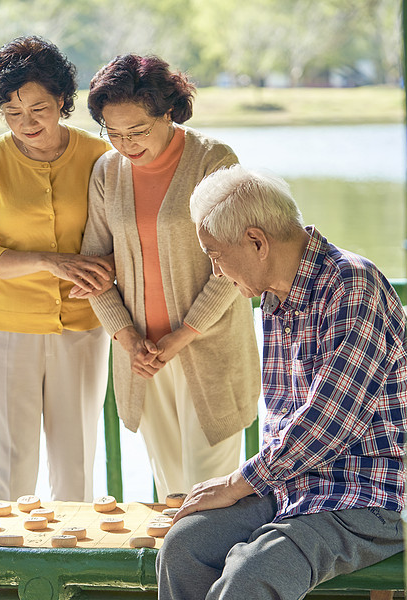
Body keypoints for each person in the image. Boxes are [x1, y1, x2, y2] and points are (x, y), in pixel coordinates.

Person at [157, 165, 407, 599]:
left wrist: (238, 483)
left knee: (253, 571)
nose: (216, 271)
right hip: (295, 486)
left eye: (215, 254)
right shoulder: (275, 293)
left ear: (257, 241)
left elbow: (329, 423)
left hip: (367, 497)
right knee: (185, 546)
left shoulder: (353, 284)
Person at [79, 54, 260, 501]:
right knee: (172, 497)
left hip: (208, 348)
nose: (125, 144)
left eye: (137, 130)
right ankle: (181, 572)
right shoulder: (107, 171)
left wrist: (183, 335)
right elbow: (93, 265)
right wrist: (127, 338)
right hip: (142, 356)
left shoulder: (212, 159)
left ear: (168, 112)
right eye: (113, 132)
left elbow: (235, 264)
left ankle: (219, 573)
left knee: (210, 495)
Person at [0, 36, 114, 503]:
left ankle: (73, 565)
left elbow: (124, 237)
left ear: (63, 101)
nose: (25, 123)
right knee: (9, 460)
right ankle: (4, 569)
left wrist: (107, 268)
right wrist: (50, 262)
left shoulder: (98, 156)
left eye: (38, 109)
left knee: (75, 458)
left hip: (84, 324)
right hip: (7, 327)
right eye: (11, 112)